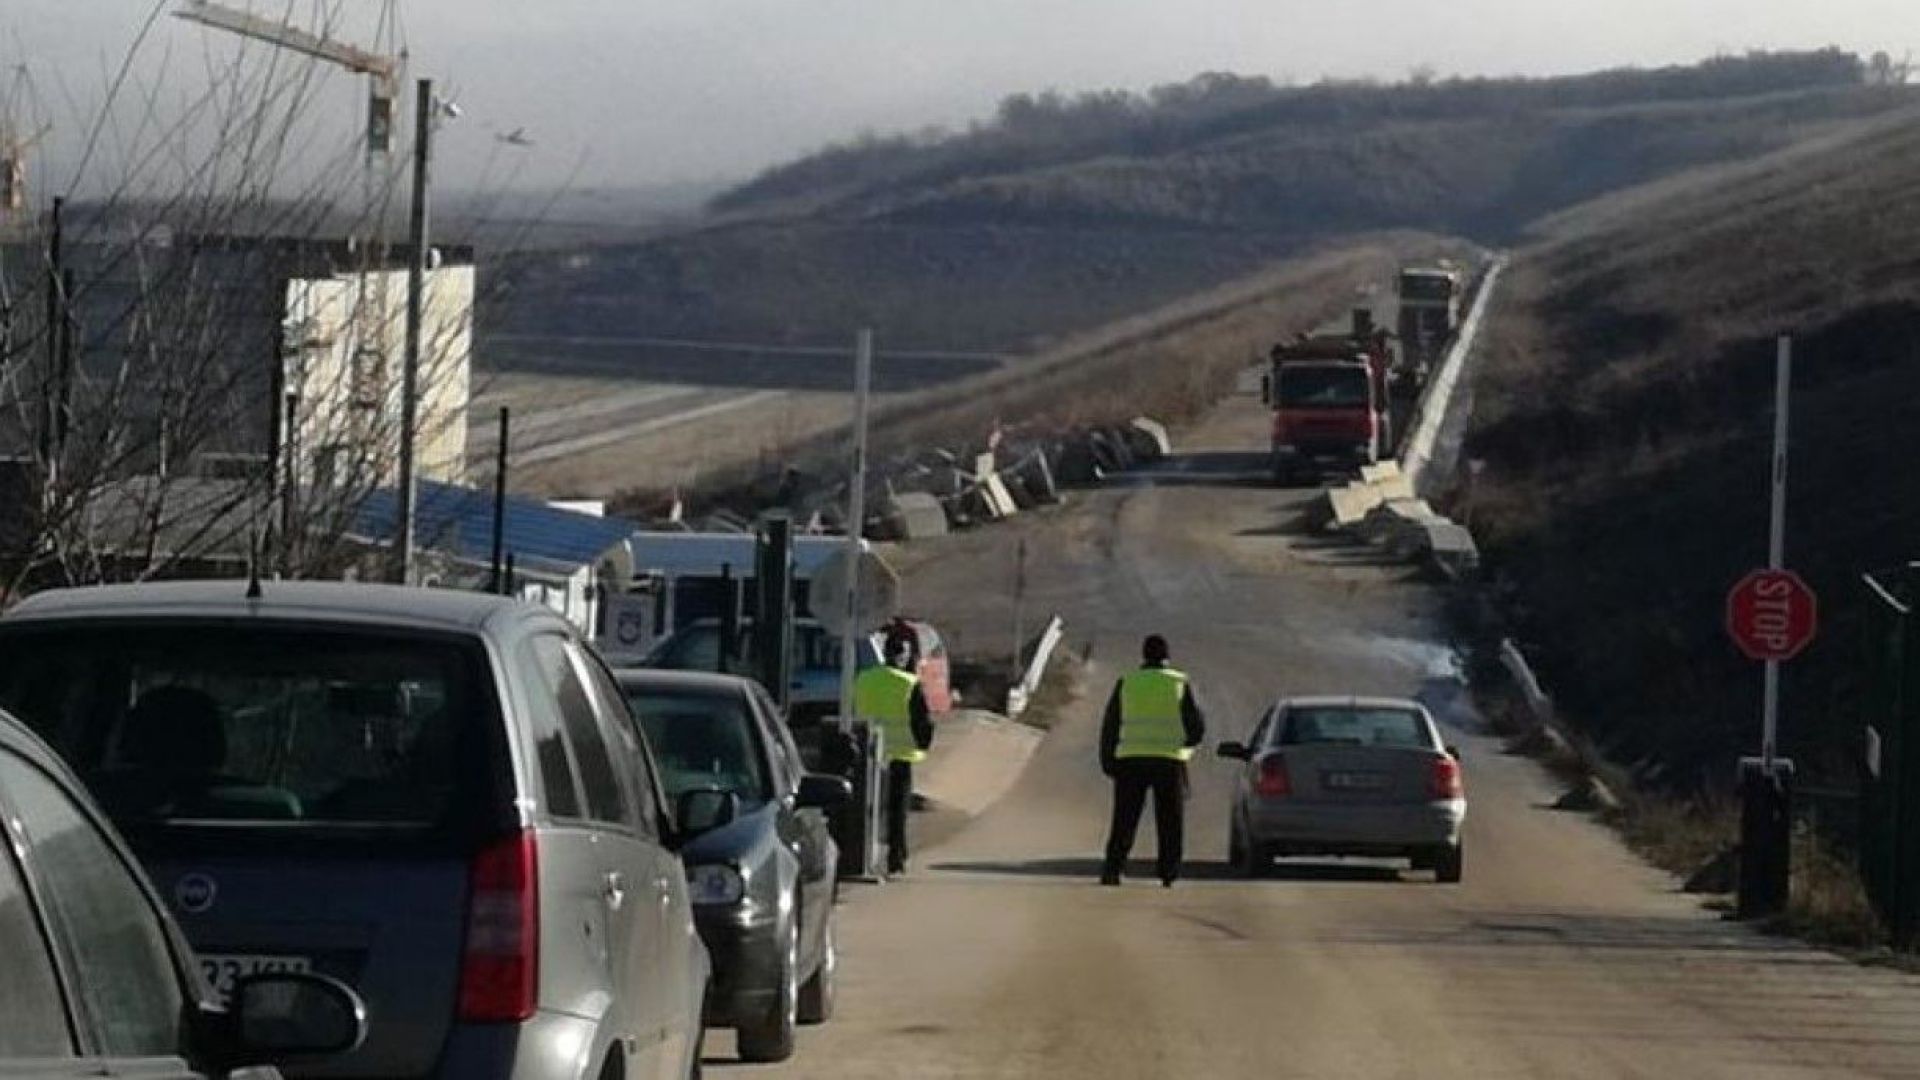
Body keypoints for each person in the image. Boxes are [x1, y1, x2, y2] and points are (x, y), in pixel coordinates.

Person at [1099, 634, 1205, 887]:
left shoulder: (1128, 682)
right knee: (1170, 820)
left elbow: (1111, 724)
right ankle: (1168, 872)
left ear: (1144, 655)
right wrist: (1186, 746)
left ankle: (1113, 869)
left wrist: (1108, 760)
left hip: (1131, 760)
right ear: (1167, 656)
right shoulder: (1179, 682)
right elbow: (1196, 725)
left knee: (1124, 819)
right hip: (1168, 761)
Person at [855, 640, 933, 875]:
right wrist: (923, 744)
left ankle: (863, 854)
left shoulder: (864, 679)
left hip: (868, 752)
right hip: (900, 753)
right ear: (903, 656)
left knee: (866, 806)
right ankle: (895, 855)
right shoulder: (909, 683)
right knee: (897, 809)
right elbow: (923, 721)